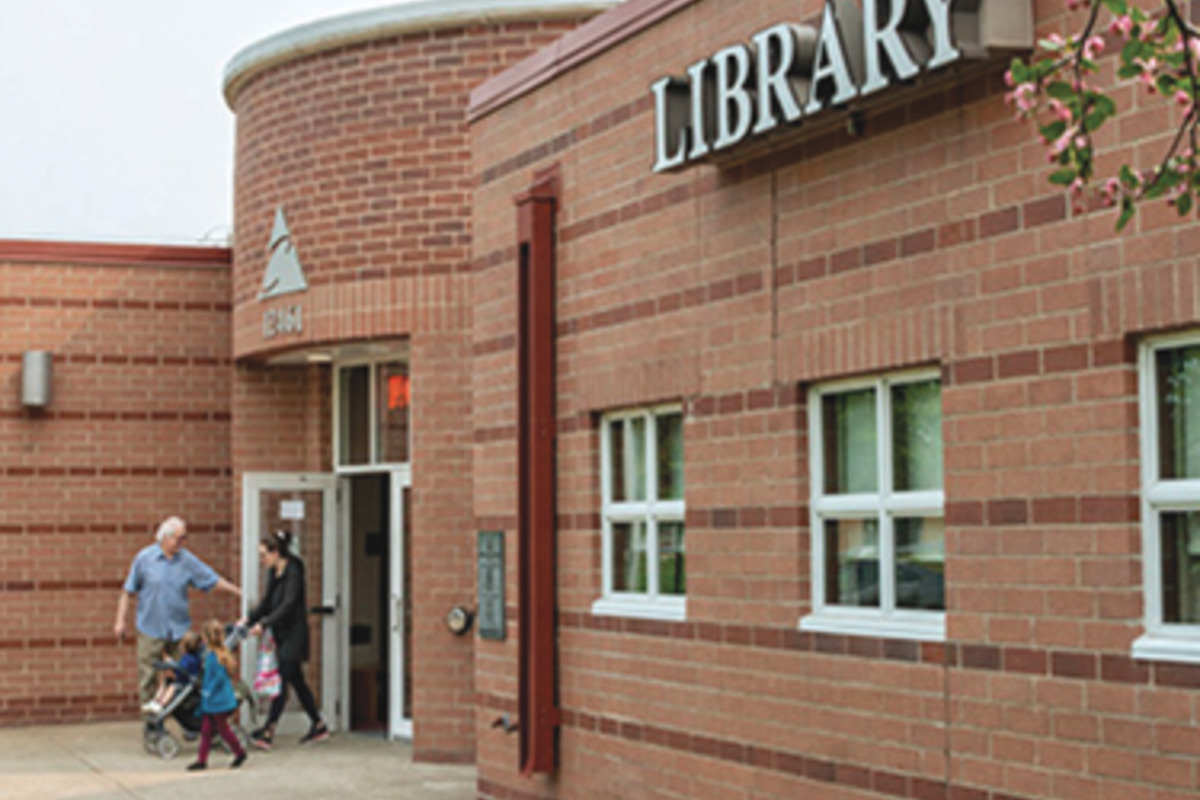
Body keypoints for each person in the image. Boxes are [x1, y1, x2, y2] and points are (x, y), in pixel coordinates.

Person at [114, 516, 242, 706]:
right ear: (165, 537)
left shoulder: (186, 560)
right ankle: (151, 722)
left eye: (185, 538)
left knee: (185, 677)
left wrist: (238, 592)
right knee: (148, 677)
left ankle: (183, 718)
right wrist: (120, 620)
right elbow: (128, 591)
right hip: (150, 628)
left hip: (179, 630)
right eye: (179, 538)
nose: (183, 542)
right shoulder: (144, 559)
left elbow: (211, 579)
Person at [243, 530, 330, 749]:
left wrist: (264, 624)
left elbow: (288, 605)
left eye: (264, 555)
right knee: (297, 682)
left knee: (281, 681)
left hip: (294, 635)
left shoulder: (294, 572)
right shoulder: (274, 572)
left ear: (276, 553)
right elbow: (267, 602)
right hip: (281, 635)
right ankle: (318, 724)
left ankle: (268, 730)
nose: (262, 560)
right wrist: (248, 620)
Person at [187, 619, 248, 771]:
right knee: (207, 730)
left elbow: (218, 677)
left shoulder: (213, 657)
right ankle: (202, 759)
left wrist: (208, 691)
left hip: (217, 701)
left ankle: (239, 752)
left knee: (222, 729)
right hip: (213, 701)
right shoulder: (217, 654)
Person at [141, 630, 202, 715]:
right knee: (164, 682)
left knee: (172, 687)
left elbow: (182, 670)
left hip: (185, 683)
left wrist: (171, 665)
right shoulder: (190, 657)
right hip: (181, 679)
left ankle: (162, 704)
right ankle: (156, 701)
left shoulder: (190, 660)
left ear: (184, 647)